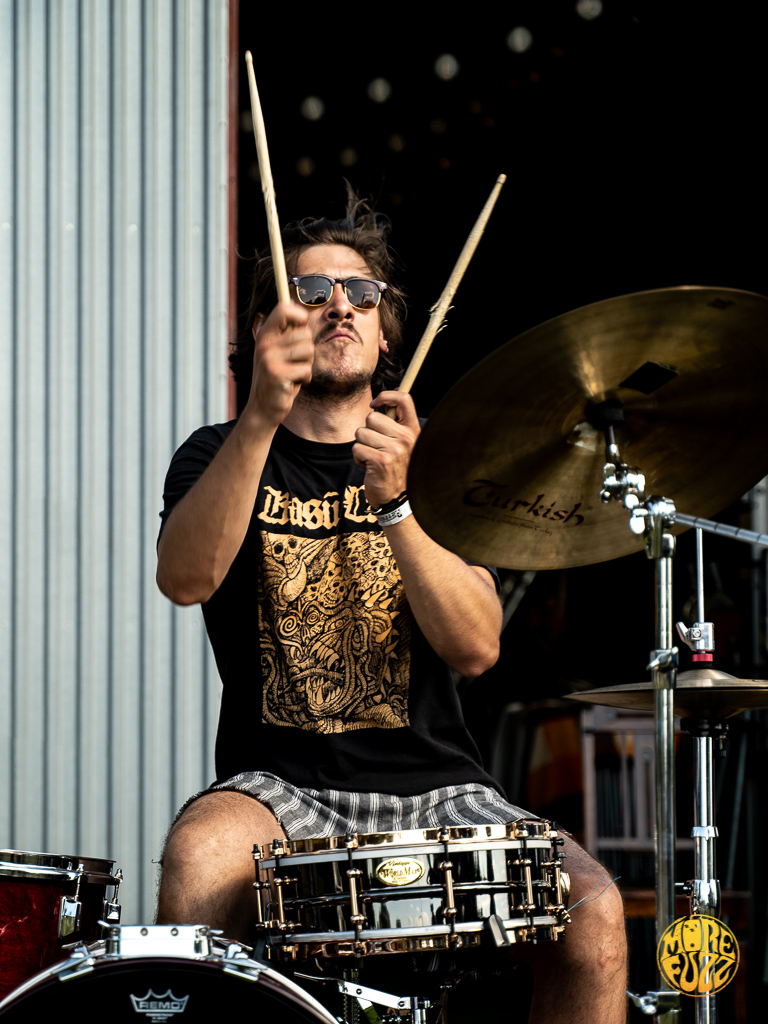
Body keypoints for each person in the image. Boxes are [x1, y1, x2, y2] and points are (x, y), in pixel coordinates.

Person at [155, 195, 627, 1022]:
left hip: (438, 784)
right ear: (268, 329)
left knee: (594, 914)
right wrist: (261, 412)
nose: (339, 305)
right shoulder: (216, 452)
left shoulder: (435, 460)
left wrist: (399, 503)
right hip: (276, 786)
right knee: (197, 861)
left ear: (385, 336)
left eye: (362, 294)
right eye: (312, 291)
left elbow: (477, 647)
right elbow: (185, 578)